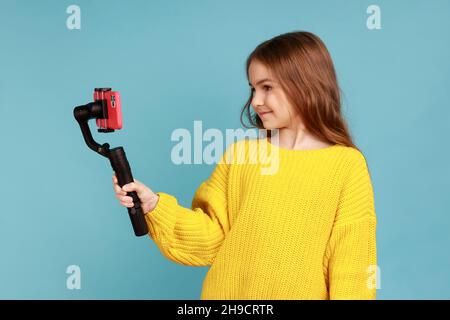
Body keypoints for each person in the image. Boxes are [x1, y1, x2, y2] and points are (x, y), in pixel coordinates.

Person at [112, 31, 377, 300]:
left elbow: (353, 268)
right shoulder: (242, 155)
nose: (255, 101)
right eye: (253, 88)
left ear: (305, 85)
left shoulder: (346, 165)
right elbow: (210, 238)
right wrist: (154, 205)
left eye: (267, 87)